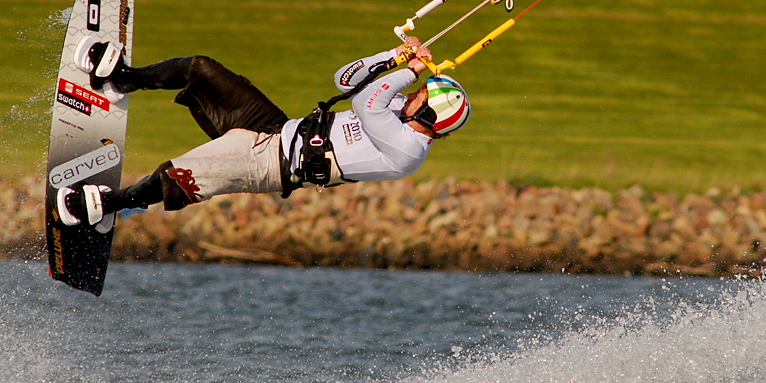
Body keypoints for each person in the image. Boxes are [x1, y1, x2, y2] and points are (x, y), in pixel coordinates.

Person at [55, 36, 470, 227]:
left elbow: (365, 102)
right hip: (272, 127)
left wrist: (408, 70)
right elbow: (345, 81)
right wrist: (392, 55)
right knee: (200, 67)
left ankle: (110, 204)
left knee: (178, 175)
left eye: (421, 93)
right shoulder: (398, 109)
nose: (413, 92)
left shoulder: (407, 150)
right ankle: (124, 78)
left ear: (431, 116)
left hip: (269, 166)